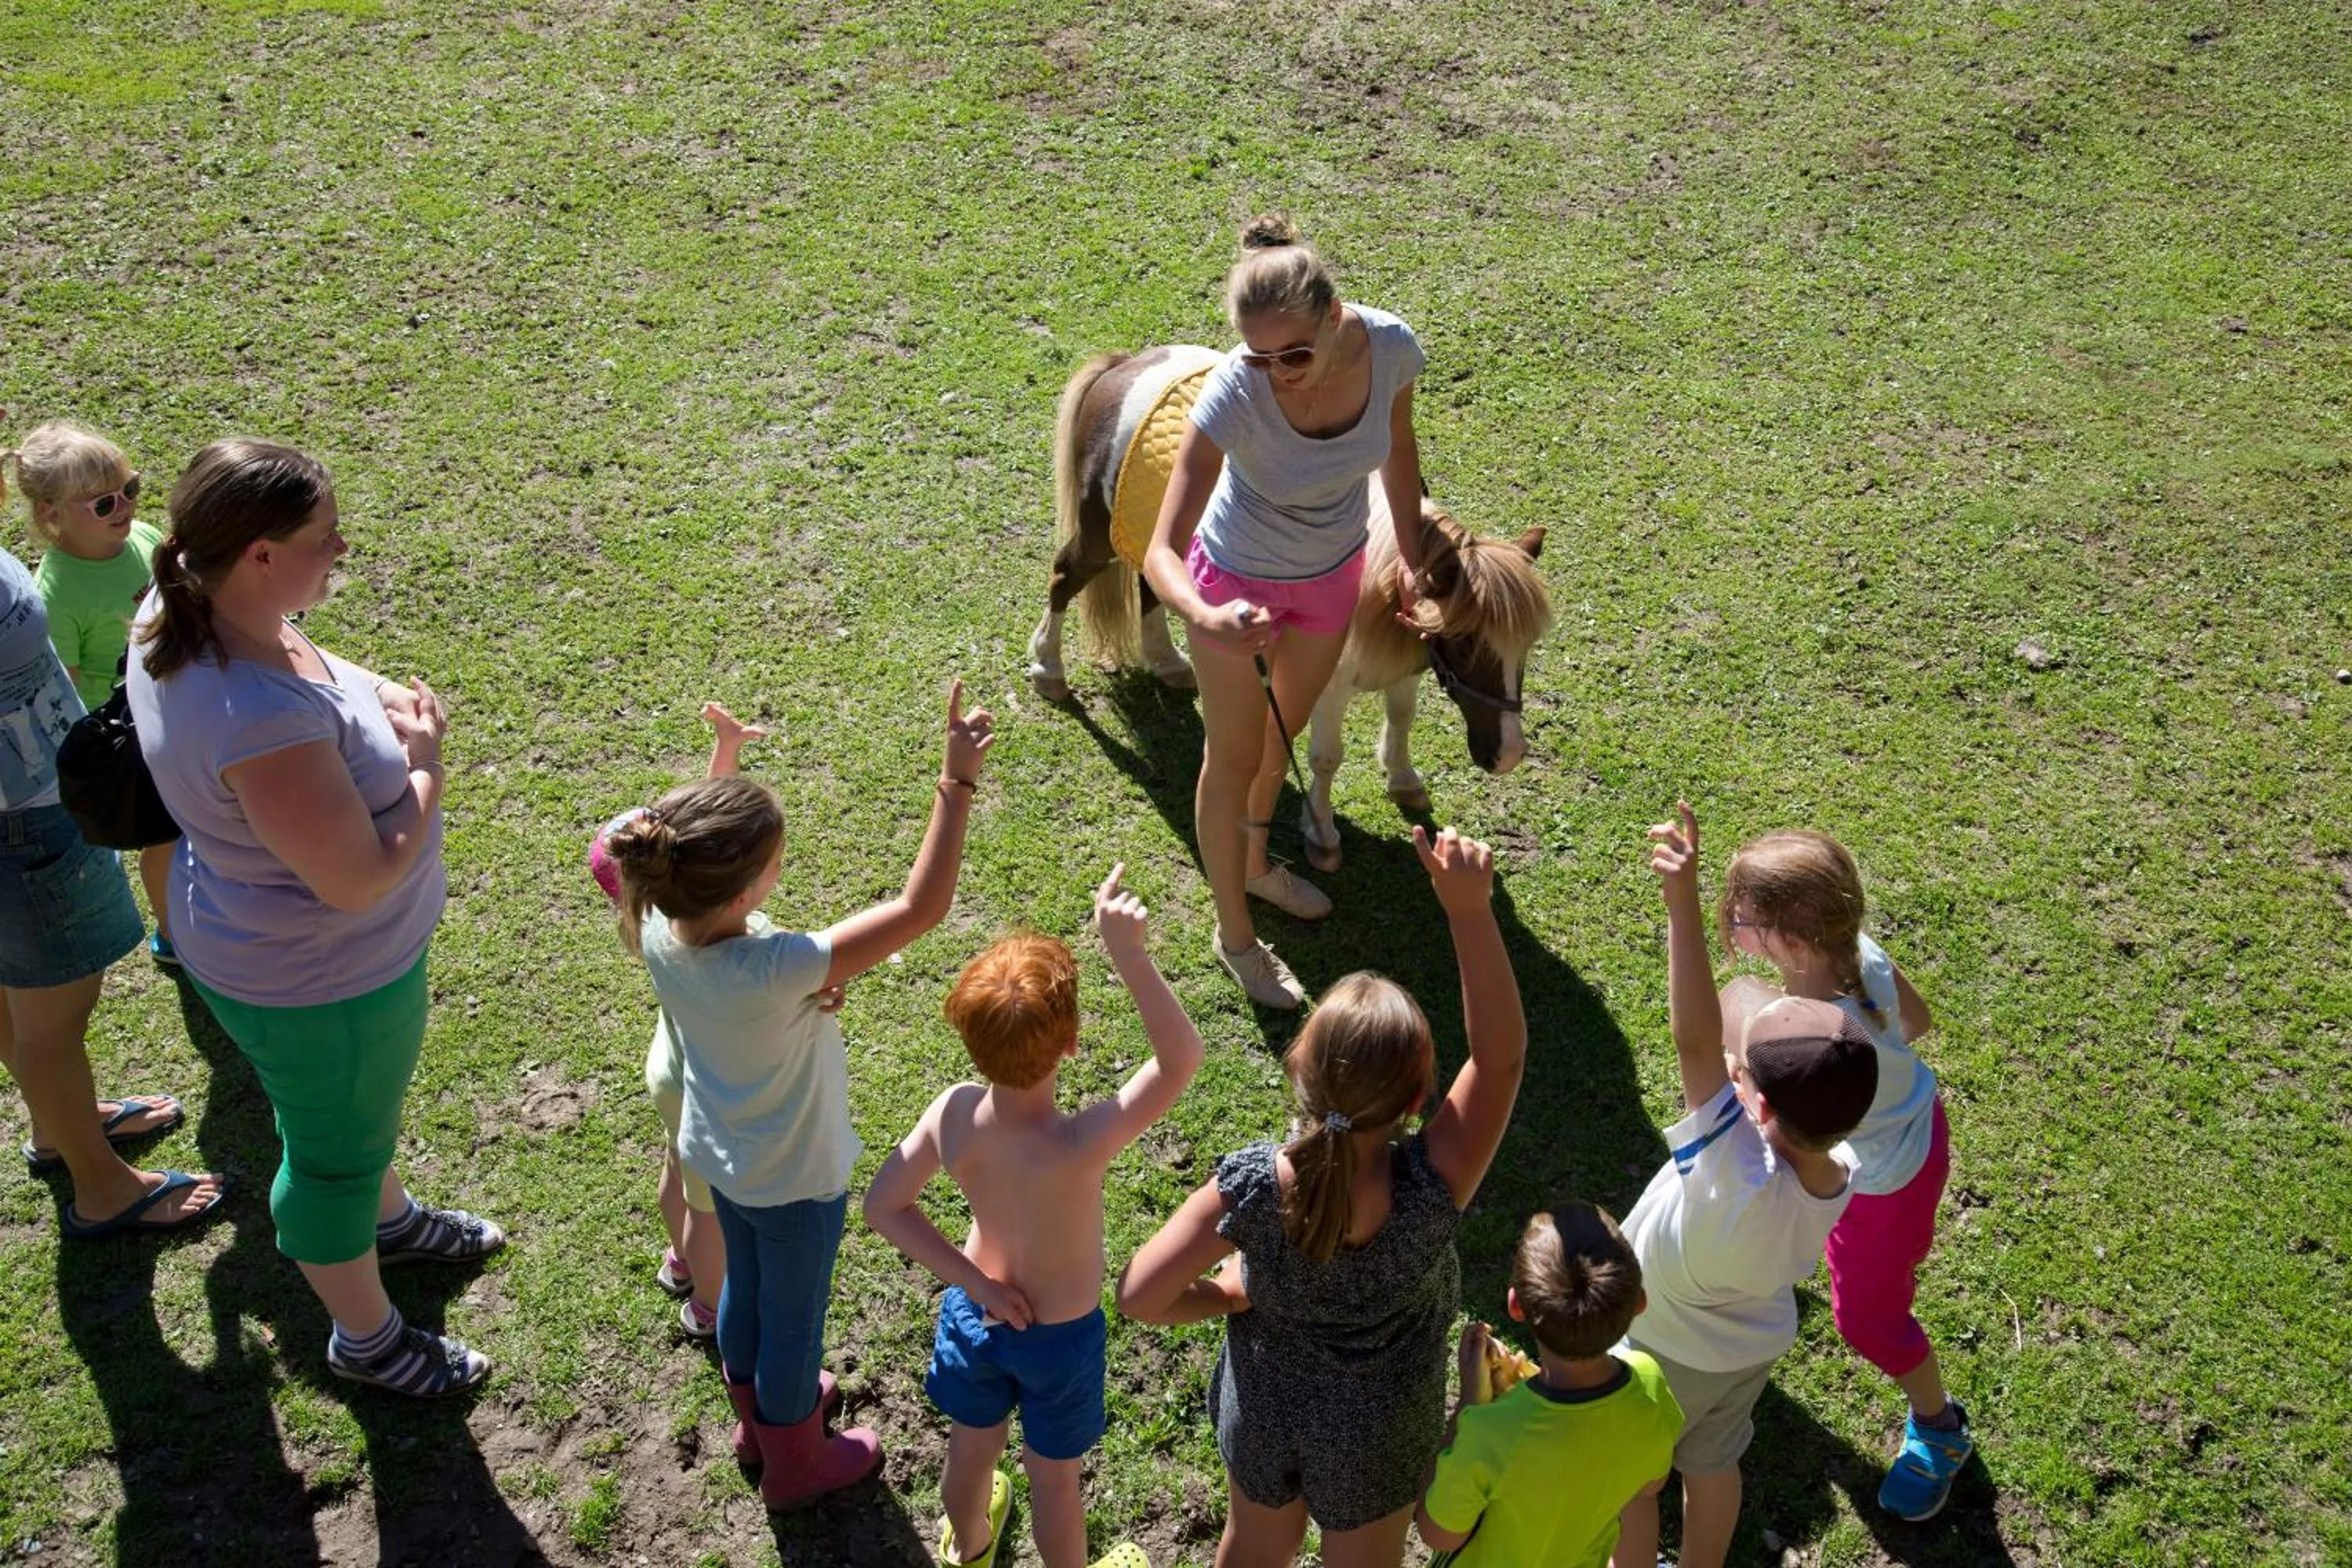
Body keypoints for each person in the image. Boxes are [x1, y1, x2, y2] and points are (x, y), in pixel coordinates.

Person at [127, 440, 505, 1397]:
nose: (341, 545)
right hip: (324, 976)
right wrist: (423, 764)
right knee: (328, 1155)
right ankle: (368, 1338)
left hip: (276, 949)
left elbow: (307, 657)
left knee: (344, 1119)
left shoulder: (182, 605)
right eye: (323, 534)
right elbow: (360, 878)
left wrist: (375, 695)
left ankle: (390, 1218)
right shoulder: (259, 722)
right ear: (258, 551)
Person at [603, 680, 993, 1511]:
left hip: (723, 1153)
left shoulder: (662, 929)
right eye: (777, 863)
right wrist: (955, 783)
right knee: (793, 1325)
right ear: (742, 894)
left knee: (743, 1287)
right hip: (792, 1177)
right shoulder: (773, 966)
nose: (785, 870)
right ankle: (795, 1462)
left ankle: (757, 1420)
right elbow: (922, 907)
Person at [1116, 826, 1526, 1568]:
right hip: (1380, 1436)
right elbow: (1501, 1060)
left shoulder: (1246, 1187)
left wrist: (1228, 1295)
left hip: (1265, 1414)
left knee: (1252, 1551)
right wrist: (1469, 910)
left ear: (1298, 1065)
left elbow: (1142, 1295)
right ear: (1418, 1097)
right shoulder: (1433, 1190)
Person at [864, 866, 1200, 1568]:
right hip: (1063, 1340)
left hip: (977, 1316)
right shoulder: (1079, 1144)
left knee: (970, 1450)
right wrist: (1131, 957)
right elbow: (1179, 1061)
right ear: (1071, 1044)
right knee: (1054, 1485)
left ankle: (972, 1551)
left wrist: (978, 1285)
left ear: (971, 1041)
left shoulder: (954, 1114)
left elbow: (883, 1205)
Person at [1138, 213, 1431, 1008]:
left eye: (1294, 353)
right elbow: (1161, 550)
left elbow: (1399, 453)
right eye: (1260, 356)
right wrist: (1205, 611)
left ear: (1337, 319)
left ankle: (1259, 865)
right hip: (1232, 582)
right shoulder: (1238, 388)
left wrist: (1406, 556)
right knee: (1229, 761)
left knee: (1279, 741)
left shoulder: (1392, 348)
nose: (1279, 373)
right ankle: (1235, 937)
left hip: (1329, 577)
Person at [1611, 805, 1876, 1568]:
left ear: (1753, 1102)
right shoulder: (1836, 1168)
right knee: (1713, 1462)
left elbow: (1695, 1034)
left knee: (1635, 1479)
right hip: (1746, 1353)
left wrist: (1681, 900)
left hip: (1665, 1348)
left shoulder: (1734, 1163)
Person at [1715, 828, 1971, 1520]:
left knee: (1867, 1320)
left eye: (1742, 920)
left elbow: (1759, 1091)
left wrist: (1749, 1024)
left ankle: (1941, 1428)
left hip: (1887, 1186)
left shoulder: (1805, 1038)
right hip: (1922, 1128)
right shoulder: (1861, 956)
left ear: (1794, 942)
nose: (1733, 928)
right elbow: (1915, 1023)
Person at [0, 533, 223, 1235]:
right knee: (53, 1021)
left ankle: (57, 1125)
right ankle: (103, 1190)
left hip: (29, 807)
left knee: (28, 1005)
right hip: (21, 825)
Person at [588, 700, 779, 1342]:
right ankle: (707, 1304)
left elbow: (690, 844)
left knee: (679, 1170)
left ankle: (680, 1262)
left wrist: (724, 754)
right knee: (709, 1210)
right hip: (700, 1085)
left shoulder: (652, 919)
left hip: (668, 1068)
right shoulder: (712, 943)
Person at [1415, 1203, 1682, 1568]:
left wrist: (1470, 1405)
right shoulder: (1649, 1386)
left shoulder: (1490, 1431)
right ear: (1640, 1303)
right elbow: (1650, 1483)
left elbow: (1437, 1532)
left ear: (1516, 1307)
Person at [5, 422, 178, 964]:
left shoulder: (144, 539)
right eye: (103, 504)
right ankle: (176, 936)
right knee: (168, 836)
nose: (124, 507)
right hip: (131, 733)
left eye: (131, 489)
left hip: (176, 698)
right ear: (50, 515)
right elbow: (65, 692)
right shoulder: (55, 594)